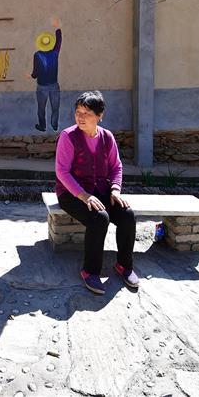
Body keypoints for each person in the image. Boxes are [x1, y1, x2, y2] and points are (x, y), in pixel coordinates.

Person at [54, 90, 139, 294]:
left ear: (99, 116)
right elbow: (62, 171)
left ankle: (124, 265)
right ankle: (90, 271)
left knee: (127, 215)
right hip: (71, 193)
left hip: (101, 190)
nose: (80, 117)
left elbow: (116, 166)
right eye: (78, 112)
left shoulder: (107, 137)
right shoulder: (68, 136)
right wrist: (84, 196)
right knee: (100, 218)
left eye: (87, 113)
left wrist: (115, 190)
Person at [31, 17, 62, 132]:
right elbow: (59, 41)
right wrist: (57, 28)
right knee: (55, 107)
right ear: (50, 43)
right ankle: (54, 125)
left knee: (41, 108)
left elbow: (35, 72)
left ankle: (42, 126)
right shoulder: (55, 53)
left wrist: (31, 76)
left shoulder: (37, 55)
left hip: (42, 86)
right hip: (54, 85)